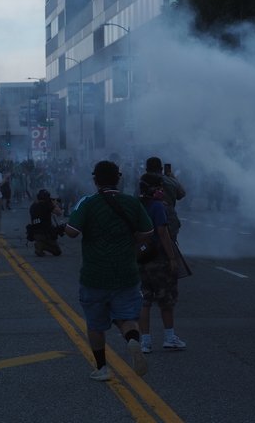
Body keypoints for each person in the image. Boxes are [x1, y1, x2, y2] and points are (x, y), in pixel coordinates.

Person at [64, 160, 154, 381]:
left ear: (95, 180)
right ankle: (132, 340)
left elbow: (72, 231)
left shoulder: (88, 202)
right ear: (119, 178)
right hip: (126, 272)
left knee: (96, 325)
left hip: (95, 275)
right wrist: (131, 243)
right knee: (127, 317)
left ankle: (102, 368)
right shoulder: (132, 203)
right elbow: (148, 231)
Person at [137, 173, 186, 353]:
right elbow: (163, 233)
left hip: (141, 257)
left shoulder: (136, 204)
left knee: (145, 300)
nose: (161, 189)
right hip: (159, 258)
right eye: (159, 186)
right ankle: (169, 337)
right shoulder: (157, 206)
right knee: (166, 299)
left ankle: (145, 341)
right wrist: (172, 257)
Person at [145, 157, 186, 241]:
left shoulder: (143, 181)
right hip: (169, 222)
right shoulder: (170, 180)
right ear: (161, 169)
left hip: (149, 222)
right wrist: (173, 178)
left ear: (146, 169)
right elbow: (181, 194)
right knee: (170, 247)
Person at [29, 189, 63, 257]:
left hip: (35, 234)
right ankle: (42, 246)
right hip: (46, 233)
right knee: (57, 252)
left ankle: (39, 244)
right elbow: (59, 213)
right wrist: (54, 204)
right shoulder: (47, 205)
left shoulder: (33, 205)